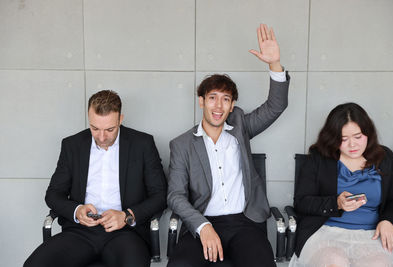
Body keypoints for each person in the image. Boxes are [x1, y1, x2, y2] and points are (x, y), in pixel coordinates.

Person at [167, 24, 290, 267]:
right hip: (202, 221)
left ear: (232, 105)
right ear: (201, 101)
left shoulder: (241, 128)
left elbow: (276, 106)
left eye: (226, 100)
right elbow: (175, 195)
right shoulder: (182, 144)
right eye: (212, 98)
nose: (218, 106)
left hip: (244, 223)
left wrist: (275, 64)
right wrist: (203, 227)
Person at [24, 90, 167, 267]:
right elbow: (53, 194)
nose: (101, 137)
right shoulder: (72, 145)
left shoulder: (143, 144)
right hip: (79, 232)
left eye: (109, 129)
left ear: (120, 119)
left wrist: (126, 215)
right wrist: (77, 211)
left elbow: (160, 195)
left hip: (126, 233)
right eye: (95, 128)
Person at [289, 102, 393, 267]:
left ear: (368, 133)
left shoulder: (385, 158)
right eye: (343, 139)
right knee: (334, 262)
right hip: (325, 233)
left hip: (372, 235)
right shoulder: (319, 158)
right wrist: (336, 203)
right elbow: (301, 202)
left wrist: (388, 220)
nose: (352, 145)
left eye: (358, 137)